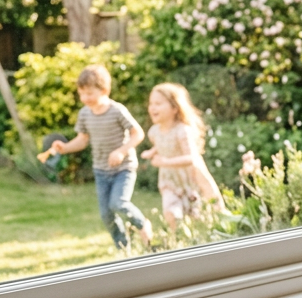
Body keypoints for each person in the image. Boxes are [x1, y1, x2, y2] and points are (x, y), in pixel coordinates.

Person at [42, 65, 153, 250]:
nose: (85, 98)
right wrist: (65, 147)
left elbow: (138, 134)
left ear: (104, 90)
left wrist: (121, 151)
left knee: (118, 203)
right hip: (101, 170)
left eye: (90, 93)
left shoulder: (117, 110)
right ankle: (123, 248)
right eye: (82, 94)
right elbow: (82, 140)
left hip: (123, 168)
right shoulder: (85, 114)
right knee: (106, 215)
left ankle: (142, 224)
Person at [140, 83, 221, 229]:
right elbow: (162, 145)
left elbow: (191, 158)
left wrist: (164, 161)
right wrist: (152, 152)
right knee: (170, 212)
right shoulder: (154, 132)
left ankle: (195, 241)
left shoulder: (182, 131)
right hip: (169, 181)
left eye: (158, 103)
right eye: (151, 103)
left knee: (197, 217)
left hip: (189, 180)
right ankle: (176, 238)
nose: (152, 107)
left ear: (175, 108)